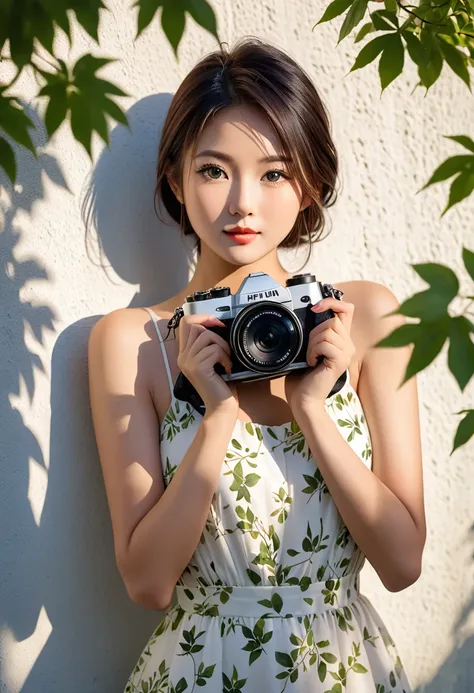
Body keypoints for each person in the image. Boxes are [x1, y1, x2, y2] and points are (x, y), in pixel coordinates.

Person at [88, 36, 425, 693]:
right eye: (214, 169)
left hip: (341, 670)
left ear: (309, 184)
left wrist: (313, 410)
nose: (243, 201)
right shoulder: (135, 342)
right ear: (174, 178)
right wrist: (216, 416)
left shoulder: (367, 317)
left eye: (274, 172)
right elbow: (149, 582)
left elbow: (403, 560)